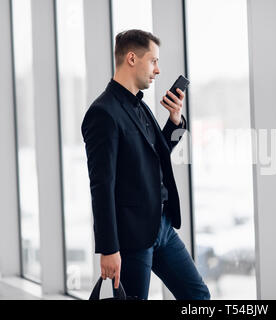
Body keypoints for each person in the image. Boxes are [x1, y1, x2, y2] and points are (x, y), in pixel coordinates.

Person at [81, 29, 210, 300]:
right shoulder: (102, 113)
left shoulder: (141, 106)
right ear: (131, 58)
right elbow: (101, 186)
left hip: (161, 227)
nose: (158, 70)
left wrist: (175, 121)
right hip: (131, 238)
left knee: (199, 297)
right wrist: (108, 249)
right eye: (153, 61)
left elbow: (157, 155)